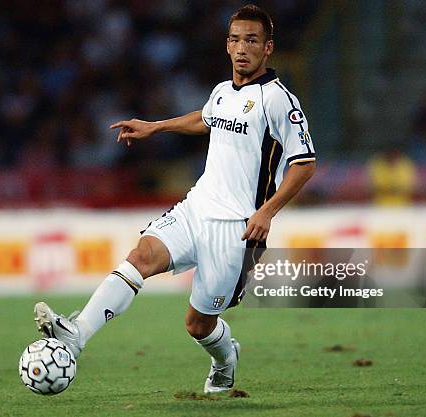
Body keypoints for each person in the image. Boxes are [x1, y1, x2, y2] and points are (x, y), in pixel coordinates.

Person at [34, 4, 316, 393]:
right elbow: (207, 117)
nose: (241, 48)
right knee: (140, 257)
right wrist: (157, 126)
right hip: (196, 208)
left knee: (197, 324)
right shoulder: (223, 91)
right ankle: (76, 334)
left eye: (252, 40)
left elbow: (305, 163)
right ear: (226, 44)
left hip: (237, 229)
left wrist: (267, 212)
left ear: (268, 48)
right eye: (235, 39)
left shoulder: (278, 100)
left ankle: (225, 358)